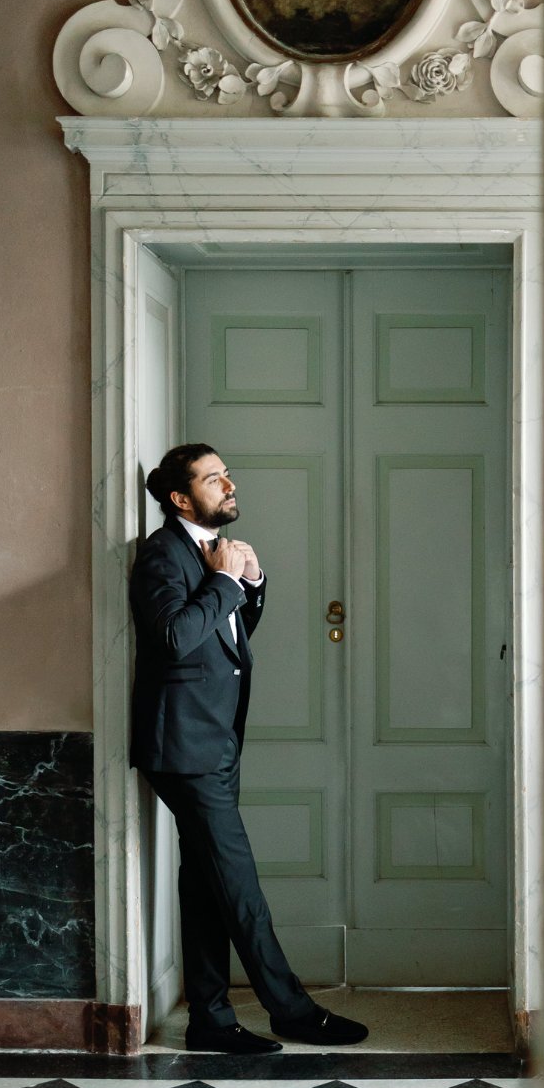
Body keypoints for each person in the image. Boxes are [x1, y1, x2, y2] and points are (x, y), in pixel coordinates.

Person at [129, 443, 369, 1054]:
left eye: (226, 474)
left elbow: (224, 638)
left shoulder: (208, 553)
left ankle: (209, 1021)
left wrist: (251, 585)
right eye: (214, 479)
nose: (229, 484)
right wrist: (224, 579)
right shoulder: (162, 555)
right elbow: (174, 639)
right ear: (181, 498)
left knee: (207, 883)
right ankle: (290, 1011)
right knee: (238, 885)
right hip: (184, 748)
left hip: (214, 742)